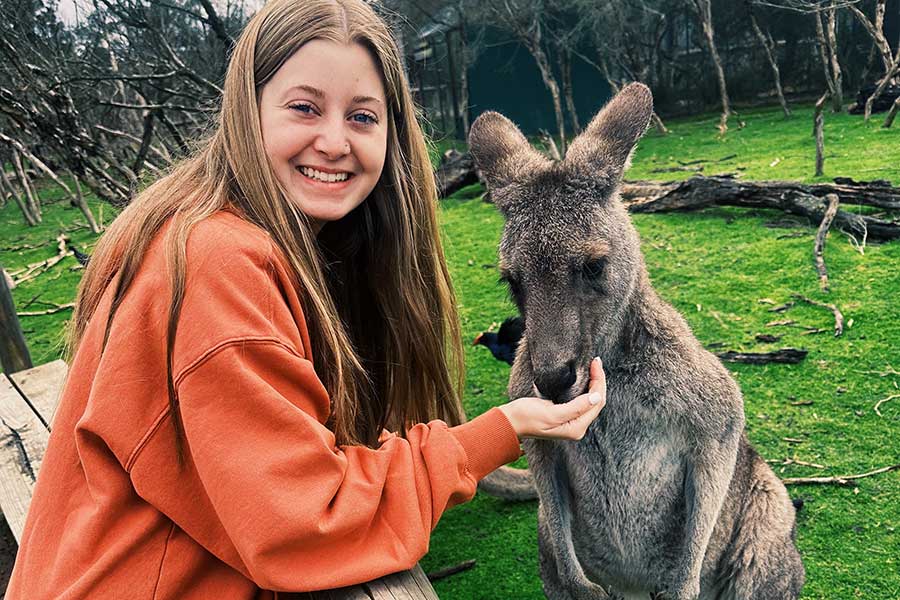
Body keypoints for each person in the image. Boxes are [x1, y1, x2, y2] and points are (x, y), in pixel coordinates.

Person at [7, 1, 607, 598]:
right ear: (248, 110)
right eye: (304, 108)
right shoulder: (217, 263)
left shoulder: (237, 232)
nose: (334, 141)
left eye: (363, 117)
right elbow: (309, 525)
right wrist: (500, 428)